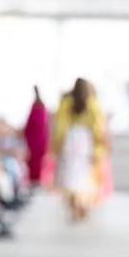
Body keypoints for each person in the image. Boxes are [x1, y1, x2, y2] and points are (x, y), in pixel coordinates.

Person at [53, 78, 105, 222]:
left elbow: (60, 127)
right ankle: (82, 204)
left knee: (70, 175)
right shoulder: (92, 104)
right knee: (84, 176)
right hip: (85, 142)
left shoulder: (66, 103)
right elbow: (98, 128)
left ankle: (74, 205)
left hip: (70, 141)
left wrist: (57, 146)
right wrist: (98, 148)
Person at [23, 86, 50, 186]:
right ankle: (36, 181)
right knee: (37, 163)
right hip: (41, 140)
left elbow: (29, 125)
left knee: (34, 162)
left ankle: (34, 181)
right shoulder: (43, 108)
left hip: (34, 141)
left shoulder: (35, 107)